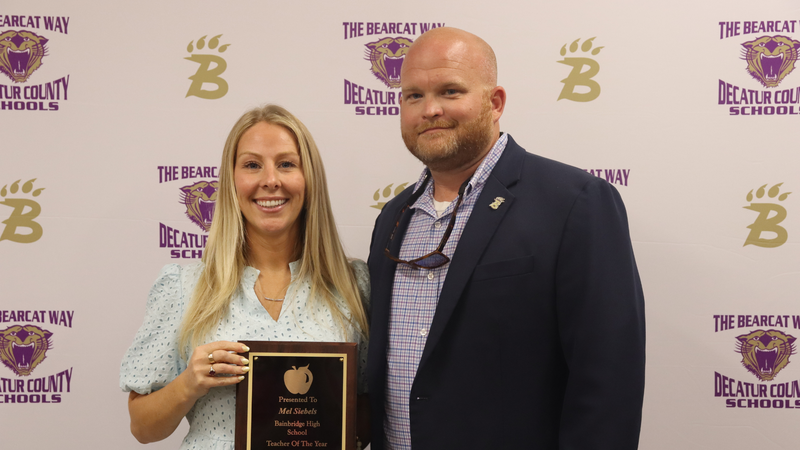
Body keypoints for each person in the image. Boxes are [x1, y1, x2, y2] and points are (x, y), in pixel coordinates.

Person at [366, 27, 645, 450]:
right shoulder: (394, 216)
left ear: (494, 103)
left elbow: (609, 380)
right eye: (413, 96)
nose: (430, 109)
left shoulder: (575, 203)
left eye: (451, 91)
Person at [120, 105, 370, 449]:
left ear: (309, 178)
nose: (270, 180)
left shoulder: (353, 285)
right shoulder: (182, 287)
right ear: (231, 179)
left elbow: (374, 408)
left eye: (286, 163)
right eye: (252, 165)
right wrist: (190, 382)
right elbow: (143, 428)